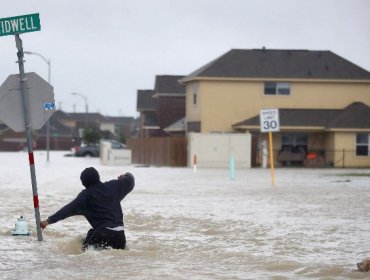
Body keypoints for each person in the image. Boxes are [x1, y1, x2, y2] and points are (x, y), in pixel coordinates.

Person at [40, 167, 135, 251]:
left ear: (83, 183)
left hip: (102, 234)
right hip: (120, 237)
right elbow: (131, 180)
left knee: (84, 253)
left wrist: (48, 221)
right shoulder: (114, 186)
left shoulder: (85, 196)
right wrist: (125, 175)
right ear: (98, 177)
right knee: (91, 236)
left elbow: (67, 210)